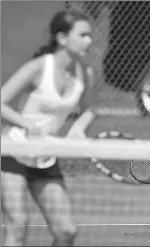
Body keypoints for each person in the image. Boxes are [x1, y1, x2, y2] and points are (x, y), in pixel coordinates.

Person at [1, 10, 95, 246]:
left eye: (90, 35)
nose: (89, 41)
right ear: (62, 38)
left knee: (66, 231)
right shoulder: (40, 67)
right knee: (18, 222)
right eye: (82, 35)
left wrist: (78, 128)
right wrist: (27, 124)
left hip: (45, 159)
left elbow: (89, 109)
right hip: (12, 155)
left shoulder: (86, 73)